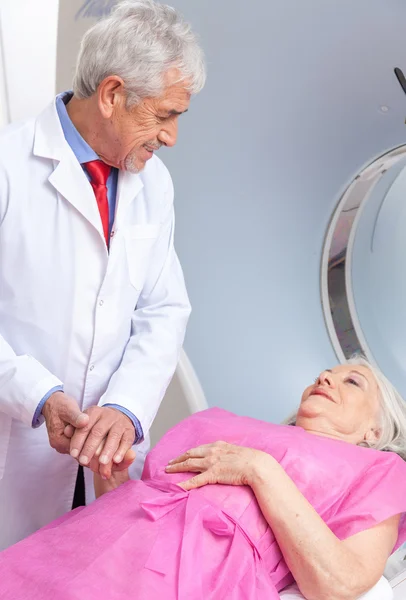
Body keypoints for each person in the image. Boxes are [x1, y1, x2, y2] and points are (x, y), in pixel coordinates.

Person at [0, 0, 206, 550]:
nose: (172, 137)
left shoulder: (153, 185)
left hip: (102, 452)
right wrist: (38, 395)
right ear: (113, 95)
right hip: (13, 445)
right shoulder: (8, 168)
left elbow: (163, 309)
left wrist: (126, 406)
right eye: (164, 115)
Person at [1, 356, 406, 600]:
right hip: (91, 545)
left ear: (375, 430)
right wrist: (114, 470)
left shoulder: (380, 471)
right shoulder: (226, 422)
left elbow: (342, 582)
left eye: (352, 381)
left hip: (198, 580)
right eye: (324, 373)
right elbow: (140, 504)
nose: (325, 379)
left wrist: (259, 470)